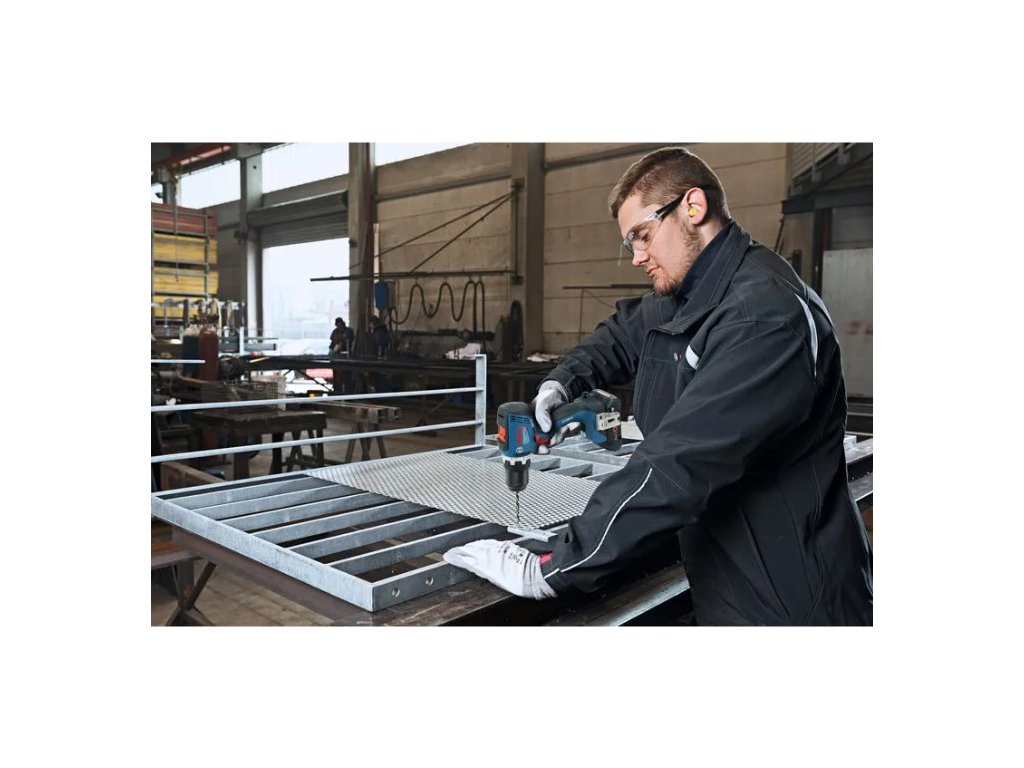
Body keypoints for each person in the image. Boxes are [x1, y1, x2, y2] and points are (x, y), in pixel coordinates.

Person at [444, 147, 873, 625]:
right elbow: (622, 333)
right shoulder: (696, 290)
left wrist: (552, 567)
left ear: (693, 206)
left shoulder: (764, 318)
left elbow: (677, 465)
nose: (636, 257)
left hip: (792, 599)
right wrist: (559, 384)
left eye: (642, 236)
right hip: (728, 573)